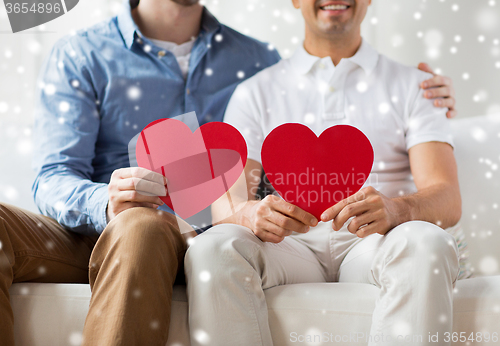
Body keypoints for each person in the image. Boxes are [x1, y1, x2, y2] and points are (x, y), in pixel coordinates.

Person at [0, 0, 456, 345]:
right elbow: (54, 176)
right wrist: (104, 200)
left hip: (180, 230)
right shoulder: (82, 53)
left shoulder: (254, 60)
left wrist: (425, 92)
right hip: (102, 228)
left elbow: (289, 129)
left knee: (146, 225)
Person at [184, 0, 462, 345]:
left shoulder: (417, 86)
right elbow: (227, 205)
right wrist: (250, 213)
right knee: (210, 248)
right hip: (289, 247)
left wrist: (396, 209)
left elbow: (447, 198)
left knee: (428, 241)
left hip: (375, 244)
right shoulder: (256, 92)